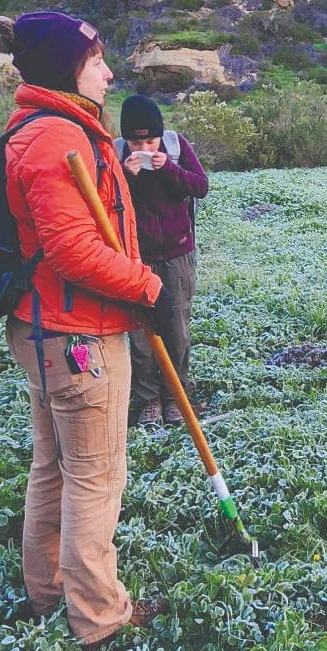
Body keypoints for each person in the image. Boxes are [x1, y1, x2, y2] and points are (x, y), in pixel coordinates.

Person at [0, 11, 177, 651]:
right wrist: (145, 284)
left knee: (56, 468)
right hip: (77, 337)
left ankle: (46, 591)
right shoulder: (51, 140)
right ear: (69, 68)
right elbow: (73, 251)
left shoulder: (55, 130)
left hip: (51, 331)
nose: (109, 71)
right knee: (95, 475)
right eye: (97, 61)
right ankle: (98, 617)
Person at [118, 94, 210, 429]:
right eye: (135, 141)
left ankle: (175, 395)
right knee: (141, 333)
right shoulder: (115, 155)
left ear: (161, 134)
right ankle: (148, 400)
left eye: (150, 140)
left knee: (176, 329)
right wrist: (124, 177)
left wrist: (167, 167)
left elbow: (200, 186)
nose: (143, 146)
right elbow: (102, 200)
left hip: (177, 254)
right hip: (136, 257)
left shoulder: (176, 146)